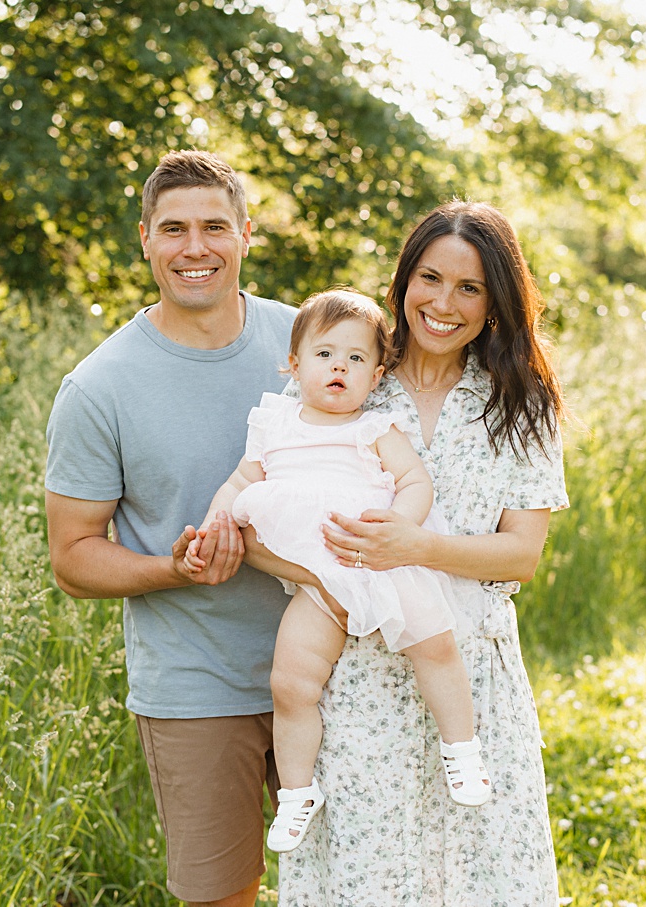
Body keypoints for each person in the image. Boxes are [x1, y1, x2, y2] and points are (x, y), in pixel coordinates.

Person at [254, 201, 570, 905]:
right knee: (369, 877)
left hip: (471, 675)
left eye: (470, 288)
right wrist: (339, 577)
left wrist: (414, 546)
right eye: (431, 278)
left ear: (495, 302)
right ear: (403, 281)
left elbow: (520, 555)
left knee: (485, 875)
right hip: (358, 674)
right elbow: (264, 528)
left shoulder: (519, 404)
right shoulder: (346, 372)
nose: (445, 303)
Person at [44, 150, 297, 907]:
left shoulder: (309, 344)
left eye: (215, 226)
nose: (197, 248)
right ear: (146, 240)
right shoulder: (98, 385)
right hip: (195, 686)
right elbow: (72, 557)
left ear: (246, 234)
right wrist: (174, 568)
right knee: (222, 894)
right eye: (175, 229)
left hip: (330, 673)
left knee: (354, 883)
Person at [182, 289, 492, 855]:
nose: (339, 368)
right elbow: (237, 486)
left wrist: (397, 530)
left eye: (355, 359)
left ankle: (462, 749)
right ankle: (298, 793)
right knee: (291, 682)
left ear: (376, 377)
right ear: (294, 365)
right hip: (317, 585)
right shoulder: (274, 424)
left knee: (436, 647)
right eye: (325, 355)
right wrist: (211, 529)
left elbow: (415, 482)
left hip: (382, 563)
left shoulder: (375, 428)